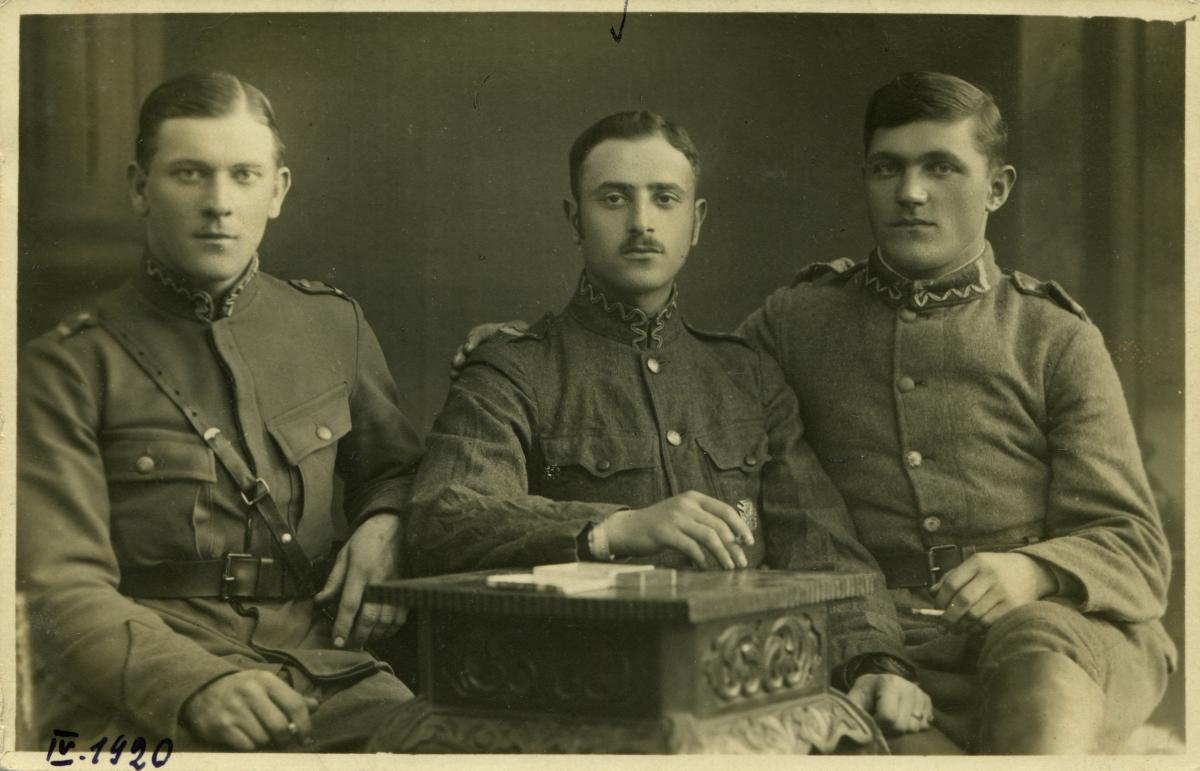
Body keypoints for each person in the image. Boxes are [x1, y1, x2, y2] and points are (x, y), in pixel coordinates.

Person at [453, 73, 1175, 754]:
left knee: (1038, 664)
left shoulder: (1052, 336)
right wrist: (529, 351)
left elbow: (1136, 545)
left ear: (997, 187)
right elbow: (682, 379)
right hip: (893, 641)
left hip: (1054, 634)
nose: (911, 193)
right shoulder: (798, 320)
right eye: (887, 169)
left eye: (941, 167)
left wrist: (1032, 572)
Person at [408, 110, 935, 738]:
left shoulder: (747, 375)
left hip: (744, 692)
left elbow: (821, 543)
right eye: (613, 199)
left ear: (696, 221)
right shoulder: (516, 368)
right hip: (579, 699)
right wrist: (613, 528)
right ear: (575, 219)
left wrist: (873, 661)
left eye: (665, 198)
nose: (641, 223)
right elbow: (445, 515)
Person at [18, 71, 423, 753]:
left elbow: (399, 472)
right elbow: (58, 587)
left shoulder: (332, 327)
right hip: (146, 685)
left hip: (328, 673)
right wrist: (194, 685)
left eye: (243, 175)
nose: (218, 204)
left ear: (278, 190)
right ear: (140, 188)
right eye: (189, 174)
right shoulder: (70, 365)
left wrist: (388, 522)